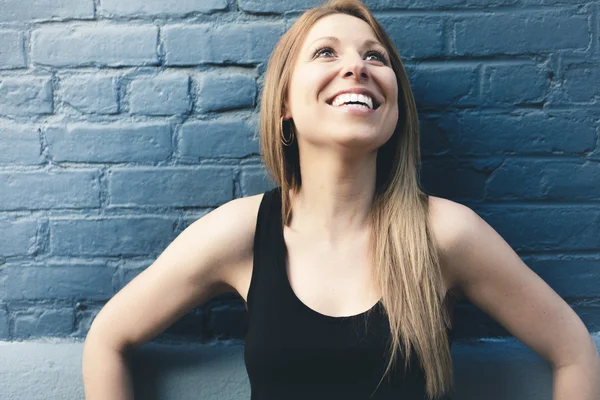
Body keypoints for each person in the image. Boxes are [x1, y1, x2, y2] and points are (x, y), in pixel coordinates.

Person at [82, 0, 600, 399]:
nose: (357, 68)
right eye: (326, 52)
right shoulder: (242, 232)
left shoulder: (445, 233)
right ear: (285, 103)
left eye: (374, 56)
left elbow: (574, 352)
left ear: (394, 102)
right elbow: (108, 339)